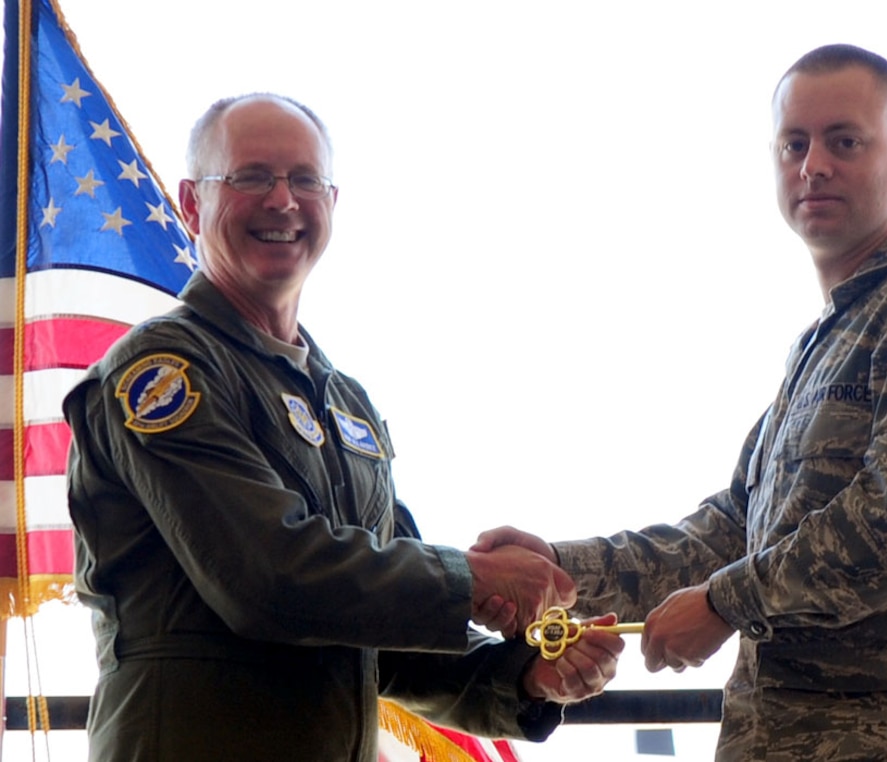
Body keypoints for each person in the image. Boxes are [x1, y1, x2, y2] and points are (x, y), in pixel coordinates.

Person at [475, 44, 887, 761]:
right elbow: (729, 533)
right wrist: (559, 570)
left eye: (844, 141)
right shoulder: (823, 346)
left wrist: (725, 604)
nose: (813, 165)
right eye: (794, 144)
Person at [62, 93, 624, 762]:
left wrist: (529, 677)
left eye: (305, 179)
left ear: (332, 203)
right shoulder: (163, 372)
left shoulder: (346, 403)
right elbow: (269, 578)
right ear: (191, 203)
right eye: (251, 177)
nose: (282, 201)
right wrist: (473, 580)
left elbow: (383, 640)